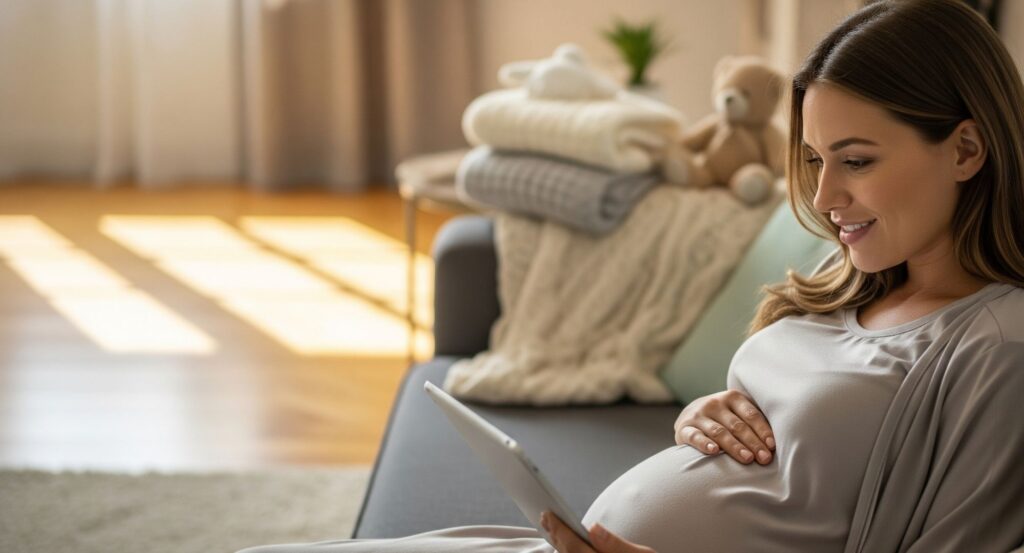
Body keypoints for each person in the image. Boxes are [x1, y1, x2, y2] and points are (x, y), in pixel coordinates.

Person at [238, 0, 1024, 551]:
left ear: (964, 149)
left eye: (856, 161)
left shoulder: (997, 344)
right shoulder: (859, 277)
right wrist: (706, 418)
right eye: (815, 160)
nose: (823, 196)